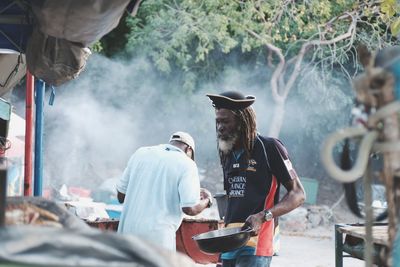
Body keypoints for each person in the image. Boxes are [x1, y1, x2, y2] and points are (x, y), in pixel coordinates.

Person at [206, 91, 306, 267]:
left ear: (242, 121)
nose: (220, 127)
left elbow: (298, 194)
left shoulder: (269, 147)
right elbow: (233, 204)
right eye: (218, 122)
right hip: (230, 242)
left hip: (257, 241)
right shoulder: (227, 153)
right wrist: (222, 255)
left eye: (226, 121)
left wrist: (263, 216)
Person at [116, 131, 212, 251]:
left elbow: (121, 196)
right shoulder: (187, 164)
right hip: (157, 240)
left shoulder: (141, 153)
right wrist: (207, 201)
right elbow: (190, 208)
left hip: (126, 236)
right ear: (188, 150)